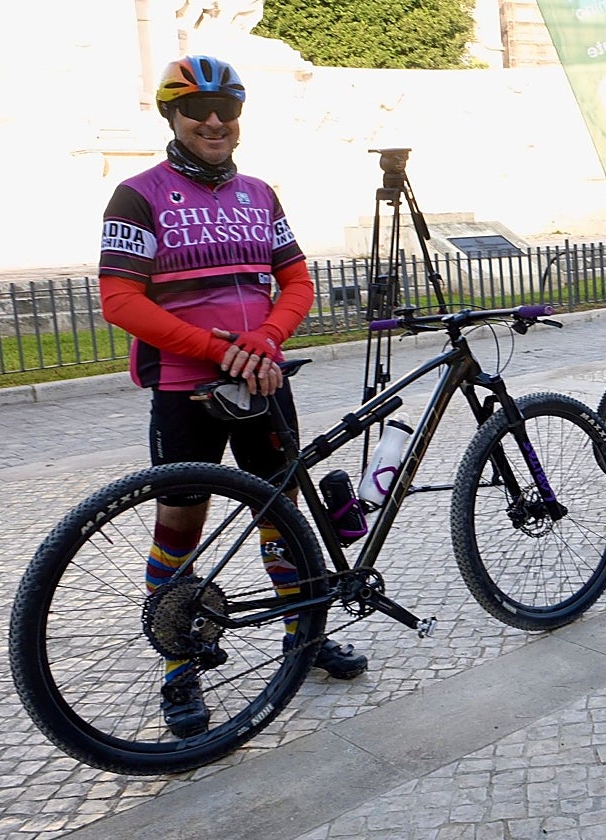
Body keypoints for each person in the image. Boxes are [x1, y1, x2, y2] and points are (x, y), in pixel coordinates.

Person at [99, 55, 368, 738]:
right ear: (173, 116)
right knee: (180, 528)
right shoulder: (137, 195)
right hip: (185, 389)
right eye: (198, 110)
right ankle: (178, 666)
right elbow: (120, 300)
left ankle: (302, 636)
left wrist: (267, 339)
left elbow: (297, 281)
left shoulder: (259, 194)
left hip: (263, 382)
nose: (215, 121)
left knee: (281, 514)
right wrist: (220, 350)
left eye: (228, 110)